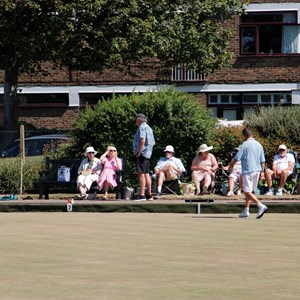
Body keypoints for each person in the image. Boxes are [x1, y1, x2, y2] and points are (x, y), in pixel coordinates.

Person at [228, 128, 268, 219]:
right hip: (257, 171)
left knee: (247, 192)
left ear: (245, 135)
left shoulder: (244, 145)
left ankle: (261, 206)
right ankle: (246, 210)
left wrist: (231, 166)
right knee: (250, 192)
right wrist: (262, 172)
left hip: (248, 171)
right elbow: (263, 161)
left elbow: (237, 157)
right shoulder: (259, 145)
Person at [133, 113, 155, 201]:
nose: (135, 121)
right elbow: (153, 142)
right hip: (148, 154)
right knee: (146, 174)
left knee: (141, 174)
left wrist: (139, 152)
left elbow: (142, 140)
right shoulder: (149, 128)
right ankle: (149, 195)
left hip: (142, 154)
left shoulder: (142, 127)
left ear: (139, 119)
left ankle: (142, 195)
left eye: (136, 119)